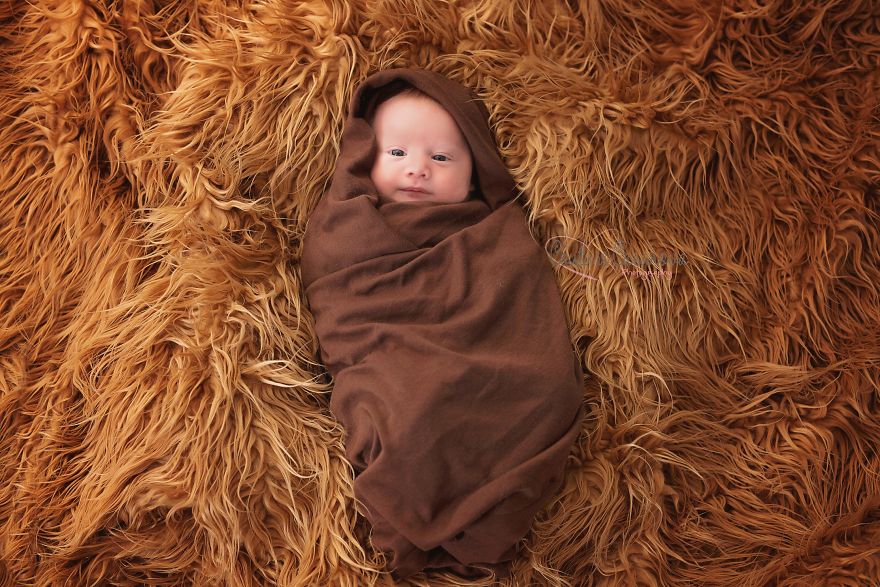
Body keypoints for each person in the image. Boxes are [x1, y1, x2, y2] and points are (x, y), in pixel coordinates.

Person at [368, 87, 476, 205]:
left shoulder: (492, 221)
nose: (417, 170)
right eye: (397, 153)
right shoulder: (354, 211)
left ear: (473, 175)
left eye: (440, 158)